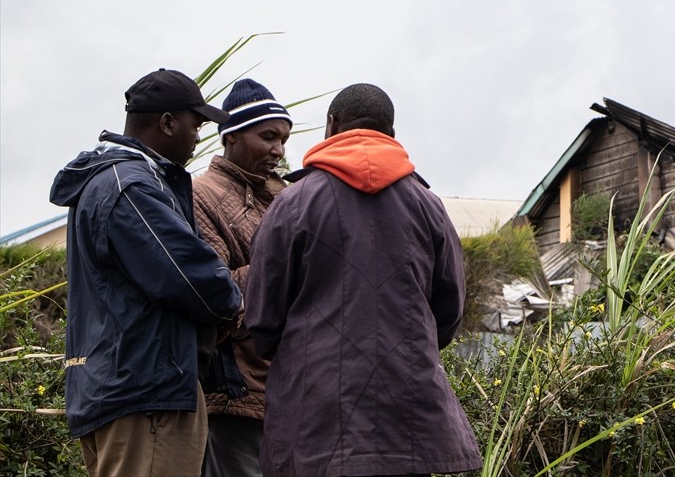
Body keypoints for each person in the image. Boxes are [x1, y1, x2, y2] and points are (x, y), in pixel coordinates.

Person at [245, 83, 481, 477]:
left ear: (331, 124)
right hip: (409, 422)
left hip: (315, 423)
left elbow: (263, 318)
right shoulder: (429, 206)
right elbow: (449, 311)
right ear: (390, 133)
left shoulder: (292, 203)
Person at [49, 68, 244, 477]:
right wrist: (233, 299)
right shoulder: (131, 187)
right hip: (147, 392)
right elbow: (191, 277)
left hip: (117, 385)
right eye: (196, 124)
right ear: (168, 122)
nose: (197, 135)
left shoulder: (107, 182)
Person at [193, 79, 293, 477]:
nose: (279, 150)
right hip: (235, 387)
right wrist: (289, 261)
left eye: (284, 139)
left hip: (284, 386)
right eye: (268, 136)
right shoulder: (200, 195)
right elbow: (214, 289)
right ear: (231, 136)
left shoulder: (282, 194)